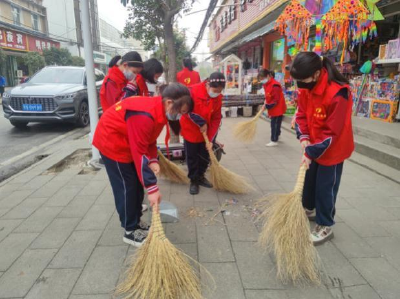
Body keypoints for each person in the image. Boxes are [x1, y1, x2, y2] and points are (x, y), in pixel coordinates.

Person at [93, 83, 193, 247]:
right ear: (169, 102)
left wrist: (153, 159)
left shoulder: (158, 111)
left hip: (128, 142)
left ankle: (136, 222)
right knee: (126, 188)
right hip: (112, 144)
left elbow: (150, 138)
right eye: (180, 112)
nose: (180, 116)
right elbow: (139, 152)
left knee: (136, 185)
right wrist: (152, 189)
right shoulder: (144, 115)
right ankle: (129, 231)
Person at [290, 52, 354, 245]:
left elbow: (332, 132)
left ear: (317, 74)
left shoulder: (338, 93)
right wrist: (303, 137)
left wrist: (311, 151)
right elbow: (301, 114)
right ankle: (308, 208)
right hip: (314, 145)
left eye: (303, 79)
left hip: (333, 149)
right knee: (309, 181)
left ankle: (325, 225)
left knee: (325, 188)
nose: (300, 84)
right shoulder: (306, 88)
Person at [180, 72, 226, 195]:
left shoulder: (218, 98)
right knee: (192, 157)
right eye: (215, 90)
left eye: (220, 91)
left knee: (205, 156)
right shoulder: (192, 91)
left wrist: (211, 139)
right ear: (208, 84)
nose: (216, 93)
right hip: (190, 130)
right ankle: (194, 180)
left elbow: (216, 118)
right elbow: (184, 110)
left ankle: (201, 176)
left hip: (206, 132)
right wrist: (201, 122)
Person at [259, 69, 287, 147]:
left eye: (262, 78)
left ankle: (274, 140)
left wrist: (268, 106)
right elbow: (268, 96)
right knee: (277, 123)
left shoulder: (275, 85)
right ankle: (277, 135)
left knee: (274, 124)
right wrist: (265, 103)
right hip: (273, 106)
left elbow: (276, 99)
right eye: (260, 79)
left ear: (268, 76)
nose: (261, 80)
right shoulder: (266, 84)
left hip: (278, 107)